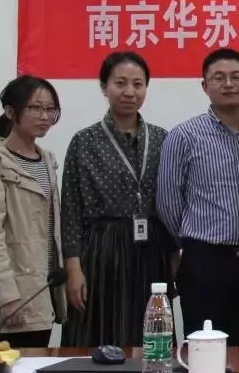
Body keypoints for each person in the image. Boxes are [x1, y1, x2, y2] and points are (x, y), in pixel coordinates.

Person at [60, 52, 173, 347]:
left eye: (138, 84)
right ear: (104, 87)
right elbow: (70, 210)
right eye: (120, 83)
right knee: (96, 332)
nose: (129, 92)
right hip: (101, 251)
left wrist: (175, 255)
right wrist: (73, 268)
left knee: (149, 333)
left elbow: (173, 203)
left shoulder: (163, 139)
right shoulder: (84, 141)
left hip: (151, 249)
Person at [156, 48, 239, 346]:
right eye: (219, 77)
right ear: (205, 86)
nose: (228, 84)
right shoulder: (184, 135)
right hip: (204, 261)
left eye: (236, 77)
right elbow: (167, 201)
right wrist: (191, 240)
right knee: (202, 349)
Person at [0, 75, 66, 347]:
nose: (44, 116)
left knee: (36, 362)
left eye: (50, 109)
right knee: (5, 363)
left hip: (40, 292)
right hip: (10, 297)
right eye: (35, 108)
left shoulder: (47, 160)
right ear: (10, 111)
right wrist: (6, 297)